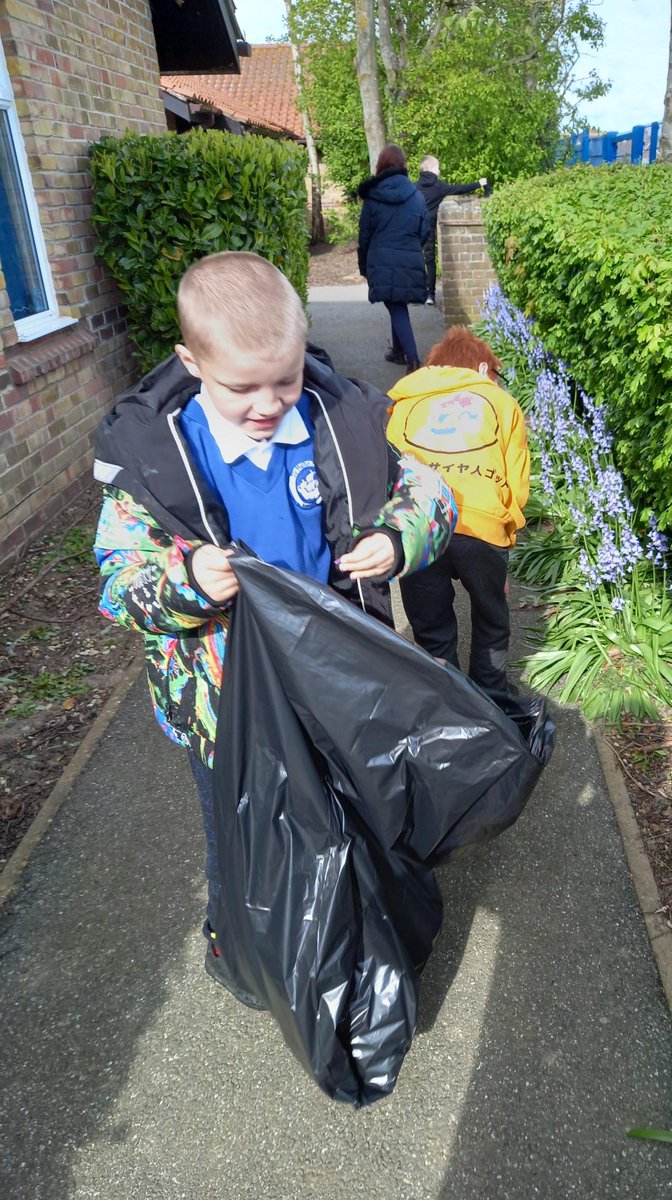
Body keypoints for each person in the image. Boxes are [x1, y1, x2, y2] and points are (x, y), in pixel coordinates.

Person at [93, 251, 456, 1010]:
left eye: (285, 380)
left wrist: (398, 540)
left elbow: (427, 491)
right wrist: (188, 583)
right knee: (240, 833)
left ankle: (361, 921)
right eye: (242, 386)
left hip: (335, 687)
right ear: (191, 363)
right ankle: (242, 939)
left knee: (351, 806)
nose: (268, 403)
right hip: (223, 707)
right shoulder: (159, 462)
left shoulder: (340, 426)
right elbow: (121, 584)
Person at [386, 326, 529, 694]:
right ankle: (492, 699)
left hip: (421, 526)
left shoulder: (403, 405)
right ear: (484, 370)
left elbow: (390, 471)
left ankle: (448, 703)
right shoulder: (502, 404)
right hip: (482, 526)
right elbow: (516, 484)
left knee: (432, 627)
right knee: (492, 618)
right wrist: (504, 546)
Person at [357, 143, 429, 373]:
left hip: (382, 258)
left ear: (381, 165)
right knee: (396, 302)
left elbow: (365, 234)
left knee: (396, 306)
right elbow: (424, 229)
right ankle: (399, 352)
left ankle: (413, 360)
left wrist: (364, 264)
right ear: (403, 165)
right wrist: (413, 249)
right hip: (410, 256)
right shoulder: (416, 195)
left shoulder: (373, 196)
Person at [415, 156, 488, 306]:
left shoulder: (414, 186)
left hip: (413, 224)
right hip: (428, 225)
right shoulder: (438, 186)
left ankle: (414, 292)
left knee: (413, 258)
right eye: (438, 167)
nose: (439, 170)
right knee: (429, 259)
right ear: (431, 169)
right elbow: (459, 189)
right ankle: (430, 295)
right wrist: (479, 183)